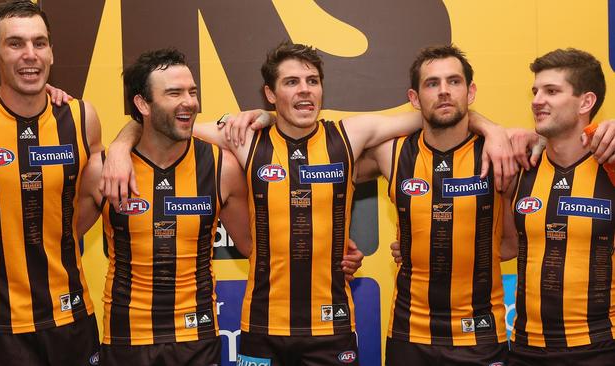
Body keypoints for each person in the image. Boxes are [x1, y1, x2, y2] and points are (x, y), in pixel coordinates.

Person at [102, 41, 516, 365]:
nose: (305, 90)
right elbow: (166, 123)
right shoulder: (245, 140)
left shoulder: (350, 135)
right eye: (291, 82)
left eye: (312, 81)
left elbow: (437, 112)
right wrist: (121, 148)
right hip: (261, 326)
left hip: (332, 328)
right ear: (270, 93)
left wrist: (492, 129)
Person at [72, 48, 254, 365]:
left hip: (196, 339)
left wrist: (331, 252)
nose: (189, 101)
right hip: (126, 340)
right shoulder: (104, 170)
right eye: (174, 93)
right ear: (142, 103)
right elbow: (57, 240)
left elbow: (254, 245)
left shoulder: (221, 167)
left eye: (192, 92)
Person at [356, 45, 515, 365]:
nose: (444, 91)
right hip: (409, 335)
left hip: (481, 335)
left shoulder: (500, 153)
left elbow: (510, 246)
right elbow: (316, 165)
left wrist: (492, 129)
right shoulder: (392, 155)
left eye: (454, 82)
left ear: (470, 92)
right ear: (414, 98)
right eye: (432, 84)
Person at [0, 1, 103, 365]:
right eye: (16, 44)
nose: (30, 55)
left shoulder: (80, 116)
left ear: (52, 52)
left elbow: (94, 196)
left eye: (39, 43)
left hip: (71, 316)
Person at [502, 48, 615, 366]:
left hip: (600, 348)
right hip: (524, 349)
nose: (537, 100)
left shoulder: (610, 165)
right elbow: (502, 248)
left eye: (552, 91)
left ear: (586, 102)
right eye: (536, 91)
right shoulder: (521, 164)